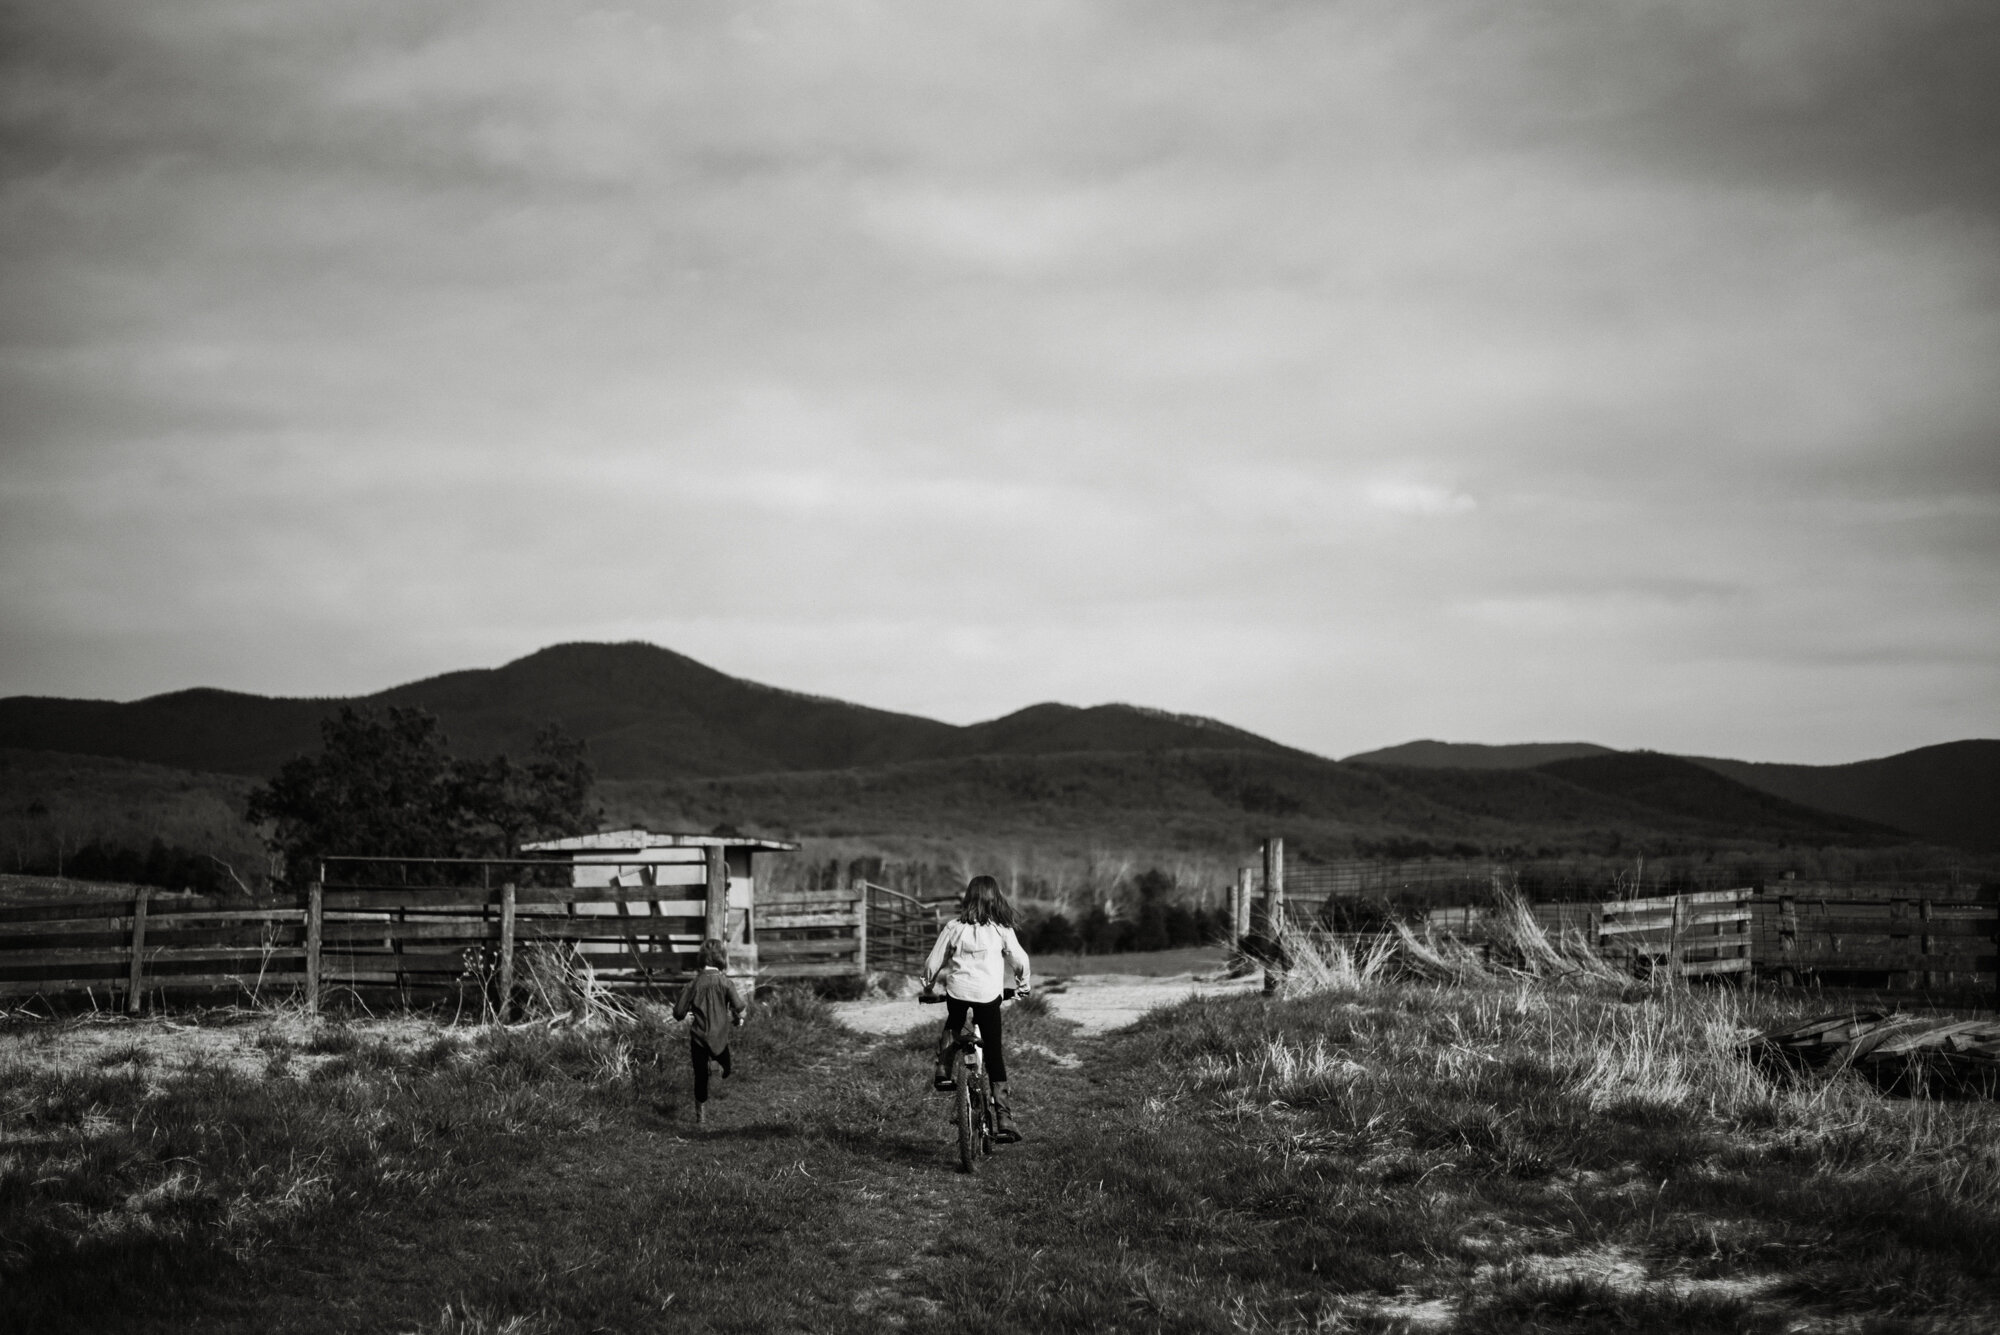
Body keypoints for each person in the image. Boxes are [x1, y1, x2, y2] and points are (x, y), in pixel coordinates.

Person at [921, 874, 1031, 1142]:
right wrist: (1023, 985)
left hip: (958, 992)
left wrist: (928, 985)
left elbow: (934, 960)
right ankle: (1004, 1119)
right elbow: (1020, 959)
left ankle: (944, 1071)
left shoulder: (953, 927)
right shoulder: (1001, 929)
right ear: (996, 899)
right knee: (993, 1052)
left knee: (954, 1023)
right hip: (987, 996)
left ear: (968, 898)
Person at [673, 938, 746, 1127]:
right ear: (722, 959)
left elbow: (678, 1013)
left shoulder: (693, 984)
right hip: (719, 1038)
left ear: (701, 959)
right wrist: (737, 1015)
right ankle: (716, 1067)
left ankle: (701, 1119)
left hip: (698, 1038)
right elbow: (739, 1006)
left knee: (700, 1078)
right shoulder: (725, 983)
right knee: (726, 1069)